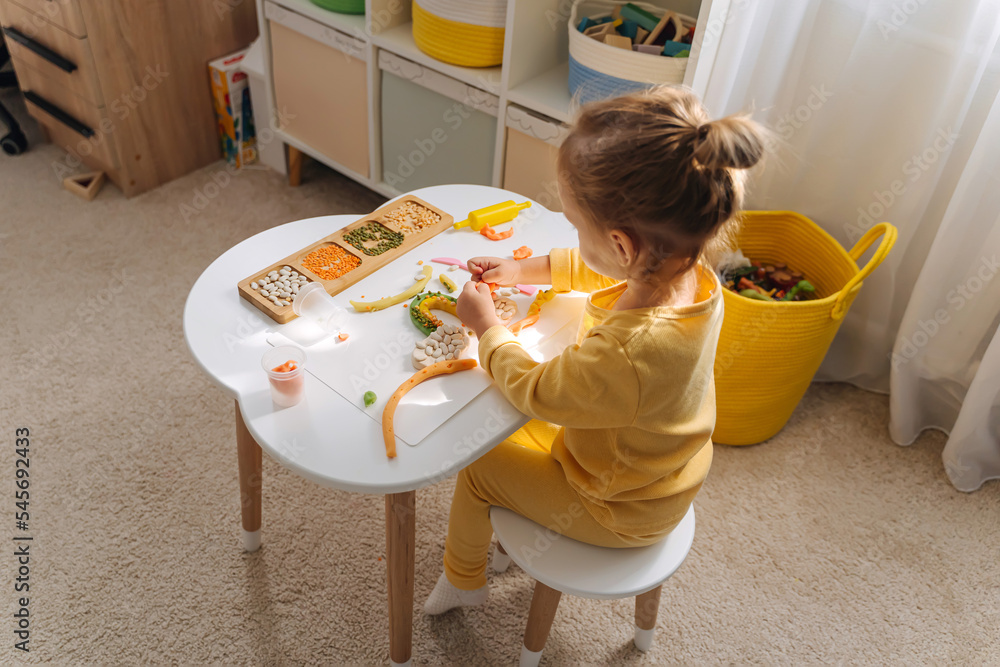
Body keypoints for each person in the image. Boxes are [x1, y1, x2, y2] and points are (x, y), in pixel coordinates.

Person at [424, 84, 766, 614]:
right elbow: (598, 267)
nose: (576, 239)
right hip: (654, 468)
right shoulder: (688, 274)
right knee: (501, 426)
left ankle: (463, 581)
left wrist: (488, 326)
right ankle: (505, 531)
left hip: (616, 506)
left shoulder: (629, 351)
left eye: (577, 228)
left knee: (479, 465)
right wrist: (523, 270)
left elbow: (537, 391)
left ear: (623, 245)